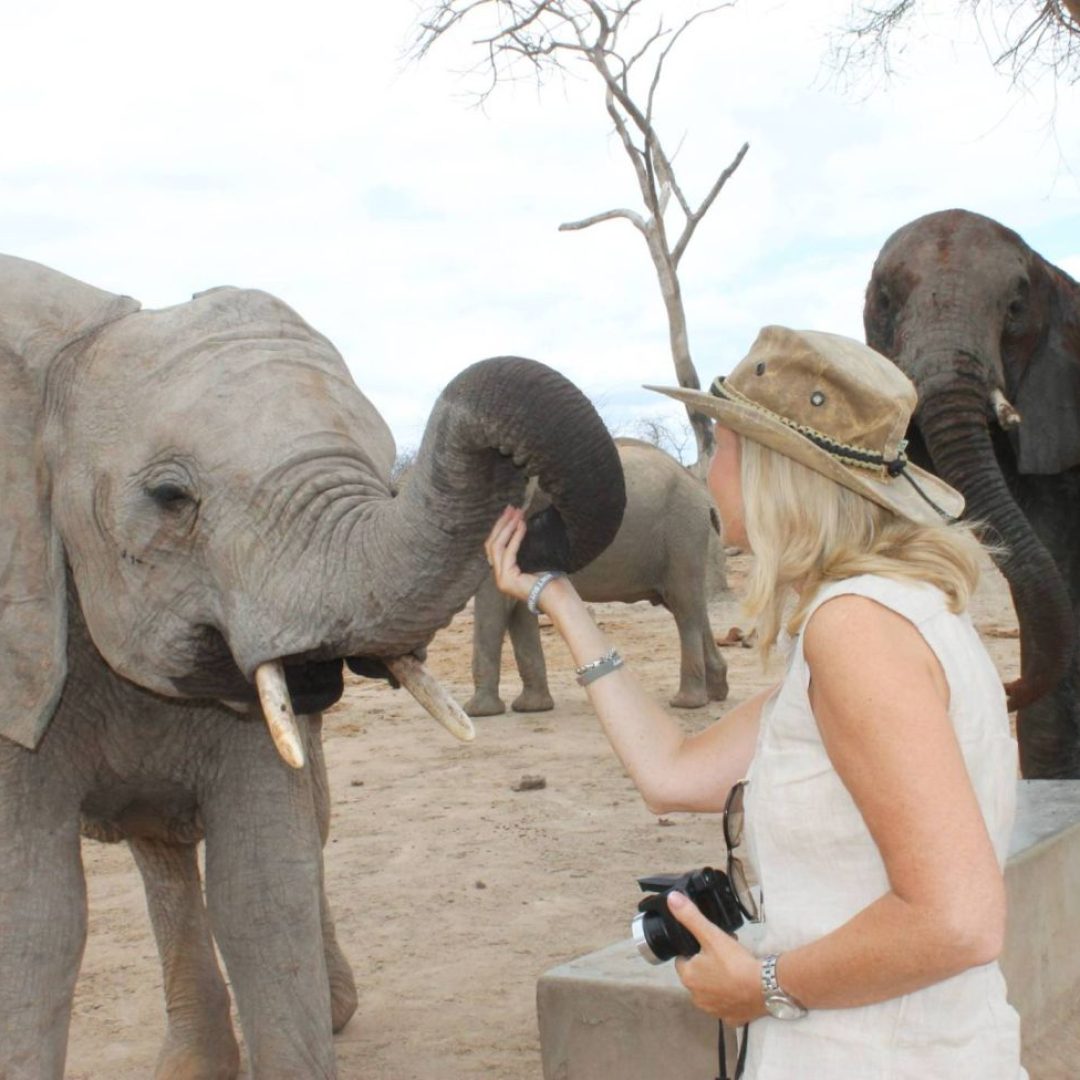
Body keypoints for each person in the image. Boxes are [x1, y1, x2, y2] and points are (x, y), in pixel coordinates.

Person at [484, 326, 1026, 1078]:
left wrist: (763, 985)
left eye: (725, 443)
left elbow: (960, 920)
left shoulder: (855, 632)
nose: (709, 467)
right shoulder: (891, 616)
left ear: (776, 469)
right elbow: (671, 773)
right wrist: (558, 598)